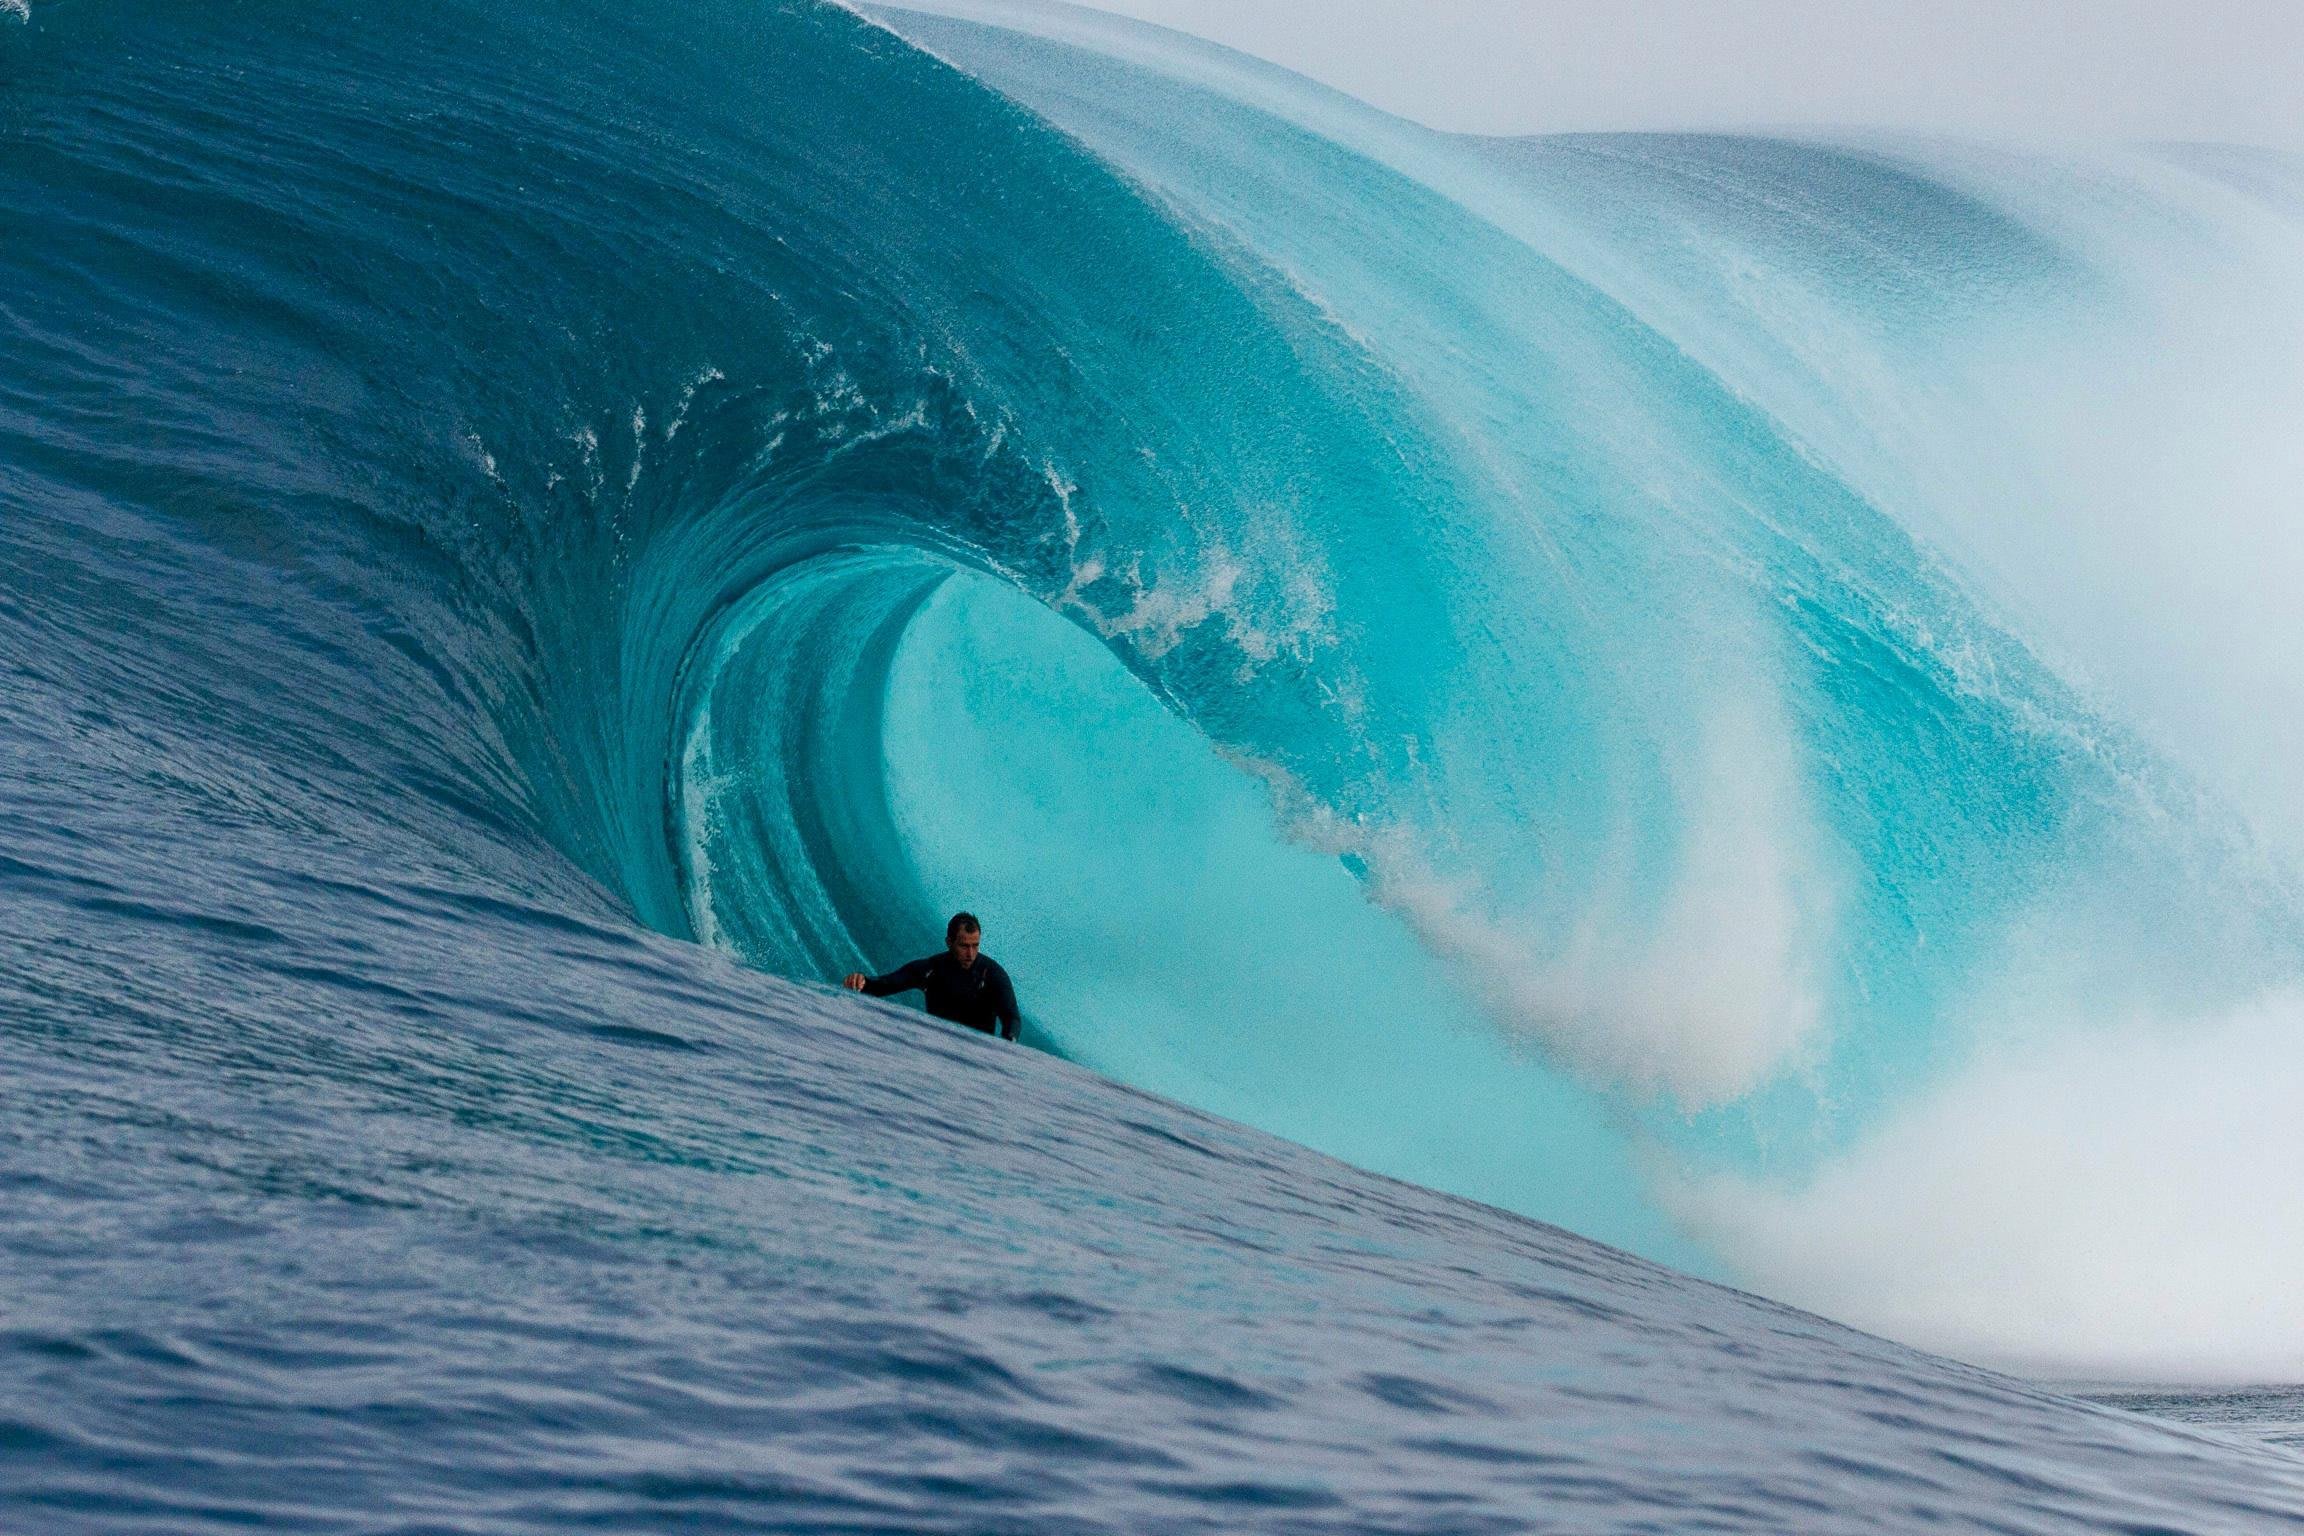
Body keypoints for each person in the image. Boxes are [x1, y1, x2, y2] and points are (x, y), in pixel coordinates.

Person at [844, 912, 1020, 1041]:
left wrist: (1008, 1041)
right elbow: (886, 984)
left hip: (976, 1055)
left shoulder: (992, 974)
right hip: (936, 1049)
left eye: (975, 945)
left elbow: (1011, 1018)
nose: (971, 953)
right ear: (949, 942)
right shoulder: (932, 969)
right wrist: (862, 981)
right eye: (964, 946)